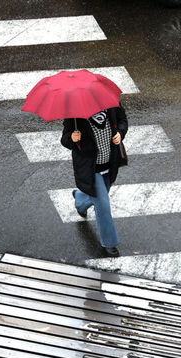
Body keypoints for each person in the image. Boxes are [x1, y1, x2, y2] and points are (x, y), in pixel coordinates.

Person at [60, 104, 128, 257]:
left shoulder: (112, 104)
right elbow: (64, 139)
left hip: (110, 164)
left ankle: (80, 199)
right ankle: (109, 243)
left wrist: (120, 133)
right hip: (90, 170)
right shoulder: (74, 114)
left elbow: (122, 120)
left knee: (98, 197)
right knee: (103, 205)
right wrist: (72, 138)